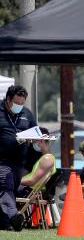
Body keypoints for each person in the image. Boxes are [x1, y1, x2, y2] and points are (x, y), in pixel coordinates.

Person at [0, 85, 37, 231]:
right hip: (2, 161)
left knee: (10, 191)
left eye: (22, 103)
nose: (19, 106)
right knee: (5, 187)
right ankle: (14, 216)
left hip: (19, 163)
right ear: (8, 100)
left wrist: (35, 141)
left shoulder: (27, 114)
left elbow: (36, 132)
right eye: (17, 103)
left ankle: (5, 223)